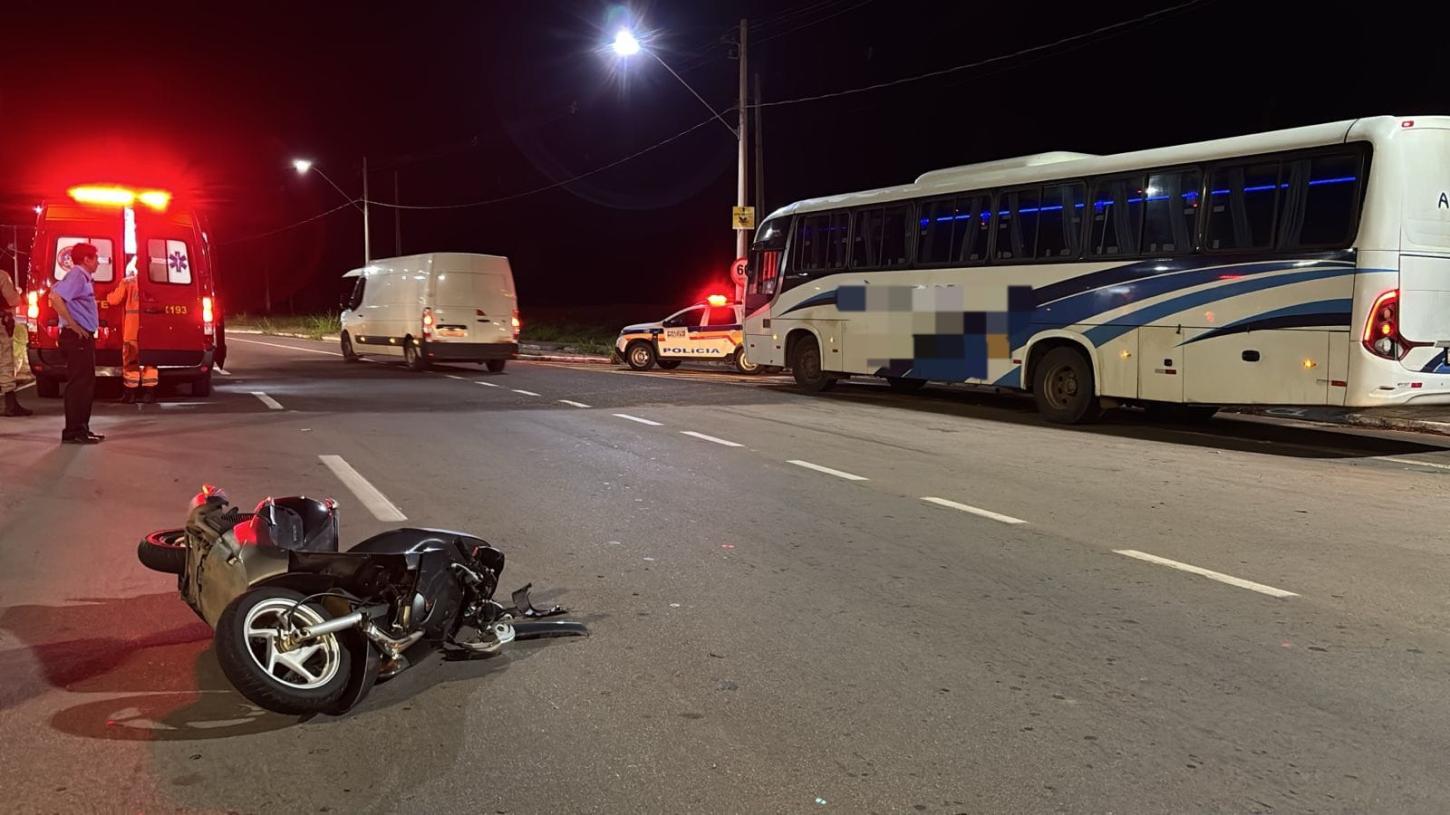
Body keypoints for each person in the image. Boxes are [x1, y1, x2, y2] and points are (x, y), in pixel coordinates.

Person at [49, 242, 103, 444]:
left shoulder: (83, 277)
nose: (98, 262)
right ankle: (73, 432)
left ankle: (82, 428)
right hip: (76, 337)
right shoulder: (77, 276)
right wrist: (72, 325)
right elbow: (55, 298)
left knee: (85, 384)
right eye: (96, 258)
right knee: (79, 384)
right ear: (86, 259)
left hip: (83, 336)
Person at [105, 273, 158, 403]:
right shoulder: (154, 282)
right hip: (149, 326)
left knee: (130, 360)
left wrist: (106, 295)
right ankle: (149, 393)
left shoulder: (127, 282)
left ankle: (130, 394)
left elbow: (114, 300)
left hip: (131, 328)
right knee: (149, 360)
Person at [0, 270, 34, 417]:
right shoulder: (2, 276)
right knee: (5, 361)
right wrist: (17, 292)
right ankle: (10, 404)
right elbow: (13, 300)